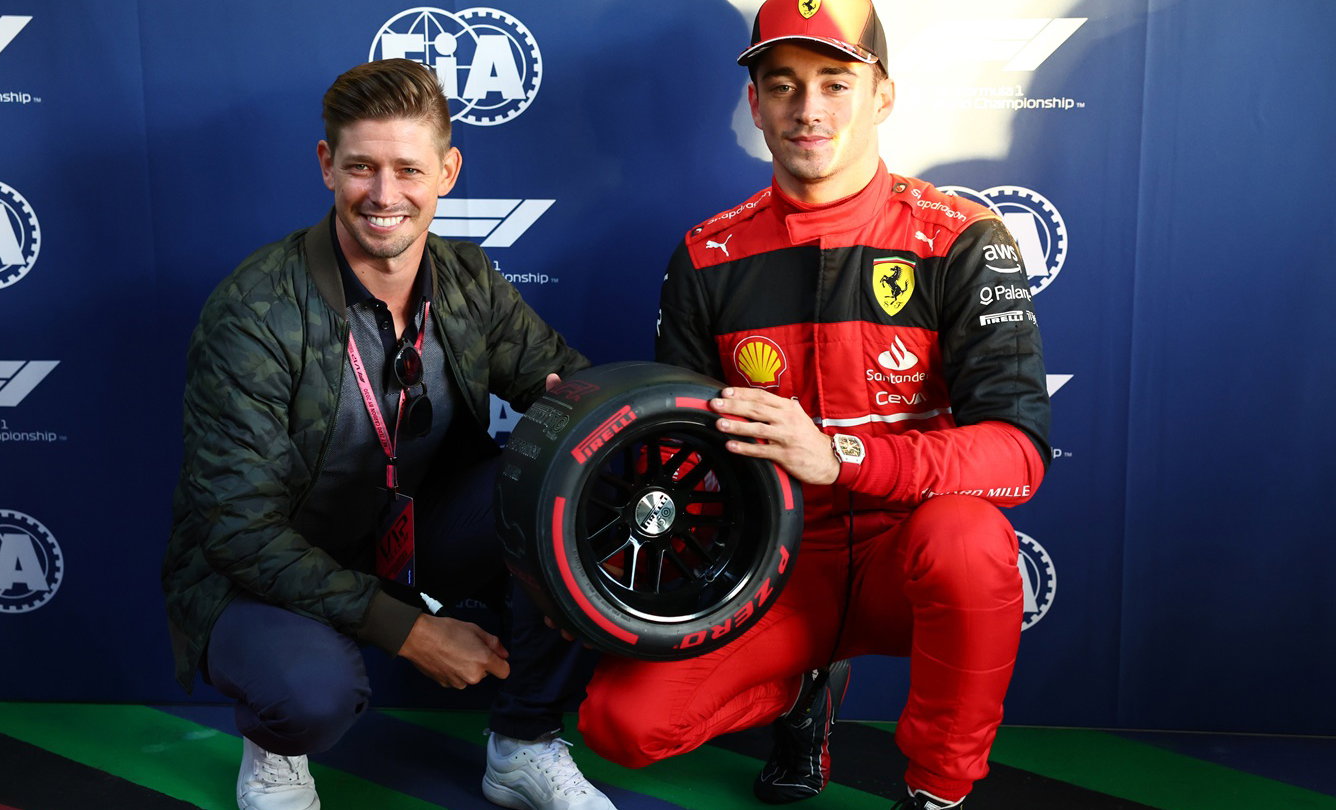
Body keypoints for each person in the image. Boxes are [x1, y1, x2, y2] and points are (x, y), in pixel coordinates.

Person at [577, 2, 1051, 809]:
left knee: (971, 537)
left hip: (912, 561)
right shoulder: (707, 255)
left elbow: (1017, 454)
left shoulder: (960, 237)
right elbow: (681, 459)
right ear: (756, 104)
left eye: (837, 81)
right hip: (778, 569)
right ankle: (802, 692)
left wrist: (842, 457)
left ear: (884, 96)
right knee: (619, 727)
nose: (809, 109)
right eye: (783, 85)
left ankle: (938, 788)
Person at [162, 59, 617, 810]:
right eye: (361, 167)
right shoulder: (254, 309)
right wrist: (408, 632)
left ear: (447, 171)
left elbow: (573, 397)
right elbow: (236, 530)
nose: (384, 195)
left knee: (570, 495)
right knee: (311, 694)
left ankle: (523, 743)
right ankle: (276, 753)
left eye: (408, 168)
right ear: (324, 165)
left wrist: (659, 430)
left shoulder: (469, 281)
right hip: (264, 565)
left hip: (410, 533)